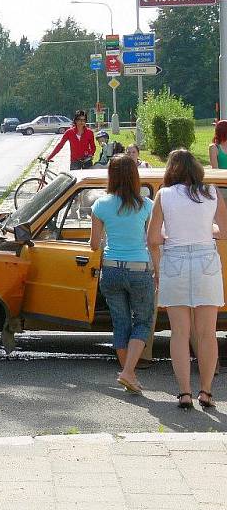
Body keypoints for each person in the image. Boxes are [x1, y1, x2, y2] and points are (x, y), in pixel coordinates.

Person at [147, 149, 227, 409]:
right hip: (205, 260)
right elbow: (223, 231)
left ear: (172, 170)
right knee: (207, 333)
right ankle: (206, 392)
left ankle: (184, 393)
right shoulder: (211, 192)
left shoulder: (164, 195)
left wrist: (167, 243)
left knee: (179, 333)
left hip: (175, 261)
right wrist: (207, 230)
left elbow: (153, 239)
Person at [90, 155, 155, 393]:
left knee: (120, 323)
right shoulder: (146, 205)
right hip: (139, 269)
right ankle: (128, 373)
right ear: (135, 177)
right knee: (143, 322)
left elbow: (95, 244)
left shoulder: (100, 205)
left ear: (111, 176)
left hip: (111, 270)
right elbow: (153, 240)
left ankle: (129, 375)